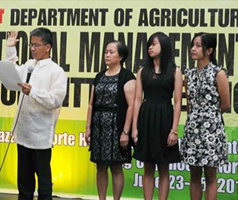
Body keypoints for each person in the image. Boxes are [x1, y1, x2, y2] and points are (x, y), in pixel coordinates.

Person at [5, 28, 67, 200]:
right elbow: (12, 75)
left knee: (44, 182)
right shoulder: (29, 65)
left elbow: (55, 100)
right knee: (24, 181)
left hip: (40, 135)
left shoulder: (57, 72)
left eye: (36, 45)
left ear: (47, 47)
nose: (32, 49)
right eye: (31, 45)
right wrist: (10, 49)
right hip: (23, 132)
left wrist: (33, 92)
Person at [131, 32, 182, 200]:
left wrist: (174, 130)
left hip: (165, 118)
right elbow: (137, 100)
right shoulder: (143, 71)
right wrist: (134, 128)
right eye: (149, 45)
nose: (150, 47)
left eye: (154, 44)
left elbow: (177, 102)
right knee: (148, 167)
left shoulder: (175, 72)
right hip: (146, 118)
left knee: (164, 167)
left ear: (164, 46)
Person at [85, 41, 136, 200]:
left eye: (111, 52)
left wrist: (125, 132)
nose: (107, 55)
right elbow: (91, 104)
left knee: (116, 167)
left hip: (117, 127)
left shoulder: (127, 76)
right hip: (99, 127)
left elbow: (131, 106)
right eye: (106, 52)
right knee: (100, 166)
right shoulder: (99, 76)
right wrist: (88, 128)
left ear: (120, 56)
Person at [181, 33, 229, 200]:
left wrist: (209, 118)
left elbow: (226, 104)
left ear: (209, 50)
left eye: (198, 46)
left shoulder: (219, 72)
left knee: (210, 177)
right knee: (194, 176)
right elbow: (189, 103)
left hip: (212, 131)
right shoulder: (189, 74)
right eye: (193, 45)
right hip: (193, 130)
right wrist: (195, 120)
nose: (193, 49)